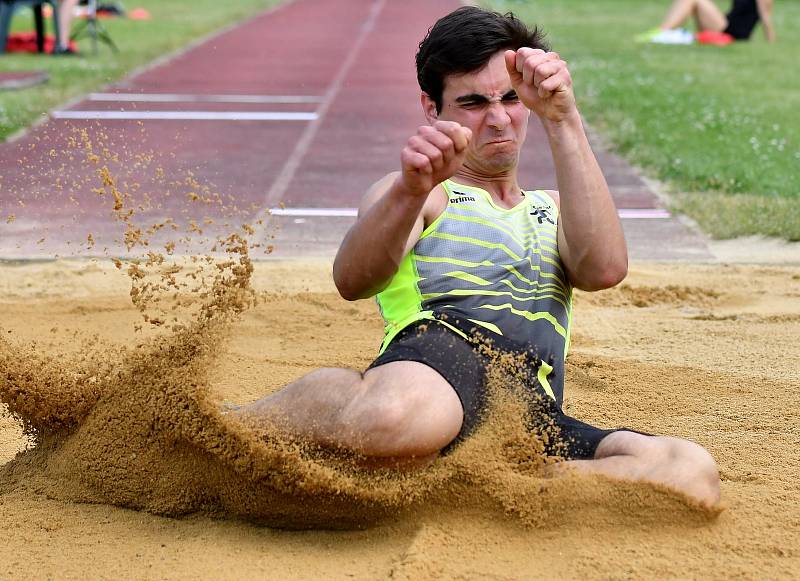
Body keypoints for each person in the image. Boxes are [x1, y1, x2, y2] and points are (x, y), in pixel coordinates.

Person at [237, 7, 721, 508]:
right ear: (432, 108)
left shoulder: (553, 210)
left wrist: (563, 115)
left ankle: (480, 482)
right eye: (472, 102)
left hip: (525, 408)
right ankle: (237, 422)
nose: (498, 119)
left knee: (688, 473)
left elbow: (603, 269)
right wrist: (410, 188)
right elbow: (353, 279)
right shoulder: (421, 195)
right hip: (438, 359)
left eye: (511, 98)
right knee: (407, 417)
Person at [638, 0, 776, 43]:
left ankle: (662, 31)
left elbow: (765, 17)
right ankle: (665, 31)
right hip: (728, 25)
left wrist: (770, 41)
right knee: (693, 3)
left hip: (734, 31)